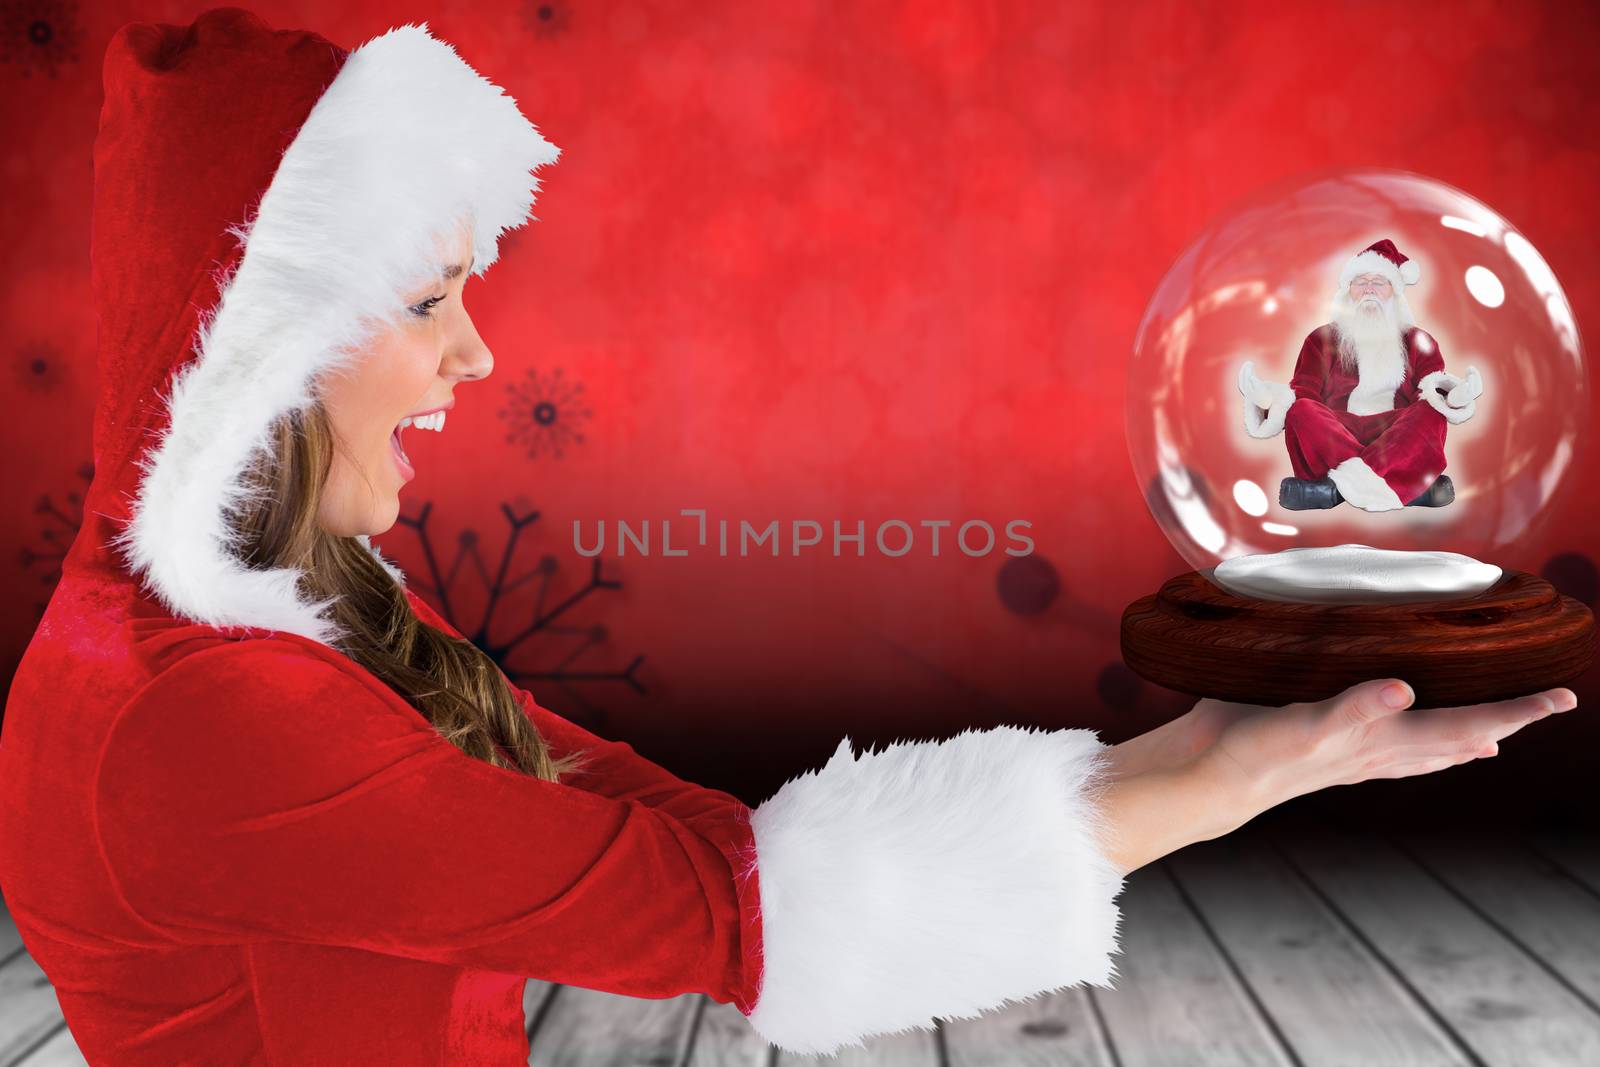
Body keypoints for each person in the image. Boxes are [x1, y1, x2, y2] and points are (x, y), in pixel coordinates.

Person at [0, 10, 1573, 1065]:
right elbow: (731, 911)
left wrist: (1195, 752)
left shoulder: (250, 643)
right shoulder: (207, 717)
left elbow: (665, 825)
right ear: (258, 354)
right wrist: (1226, 781)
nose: (475, 358)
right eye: (426, 301)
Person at [1238, 239, 1485, 512]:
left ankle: (1332, 490)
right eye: (1360, 282)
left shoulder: (1417, 341)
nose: (1369, 289)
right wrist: (1269, 401)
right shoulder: (1320, 340)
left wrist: (1454, 396)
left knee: (1431, 412)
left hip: (1396, 431)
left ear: (1394, 292)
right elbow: (1303, 392)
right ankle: (1401, 485)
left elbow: (1432, 388)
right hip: (1337, 430)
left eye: (1379, 281)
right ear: (1348, 291)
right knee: (1301, 411)